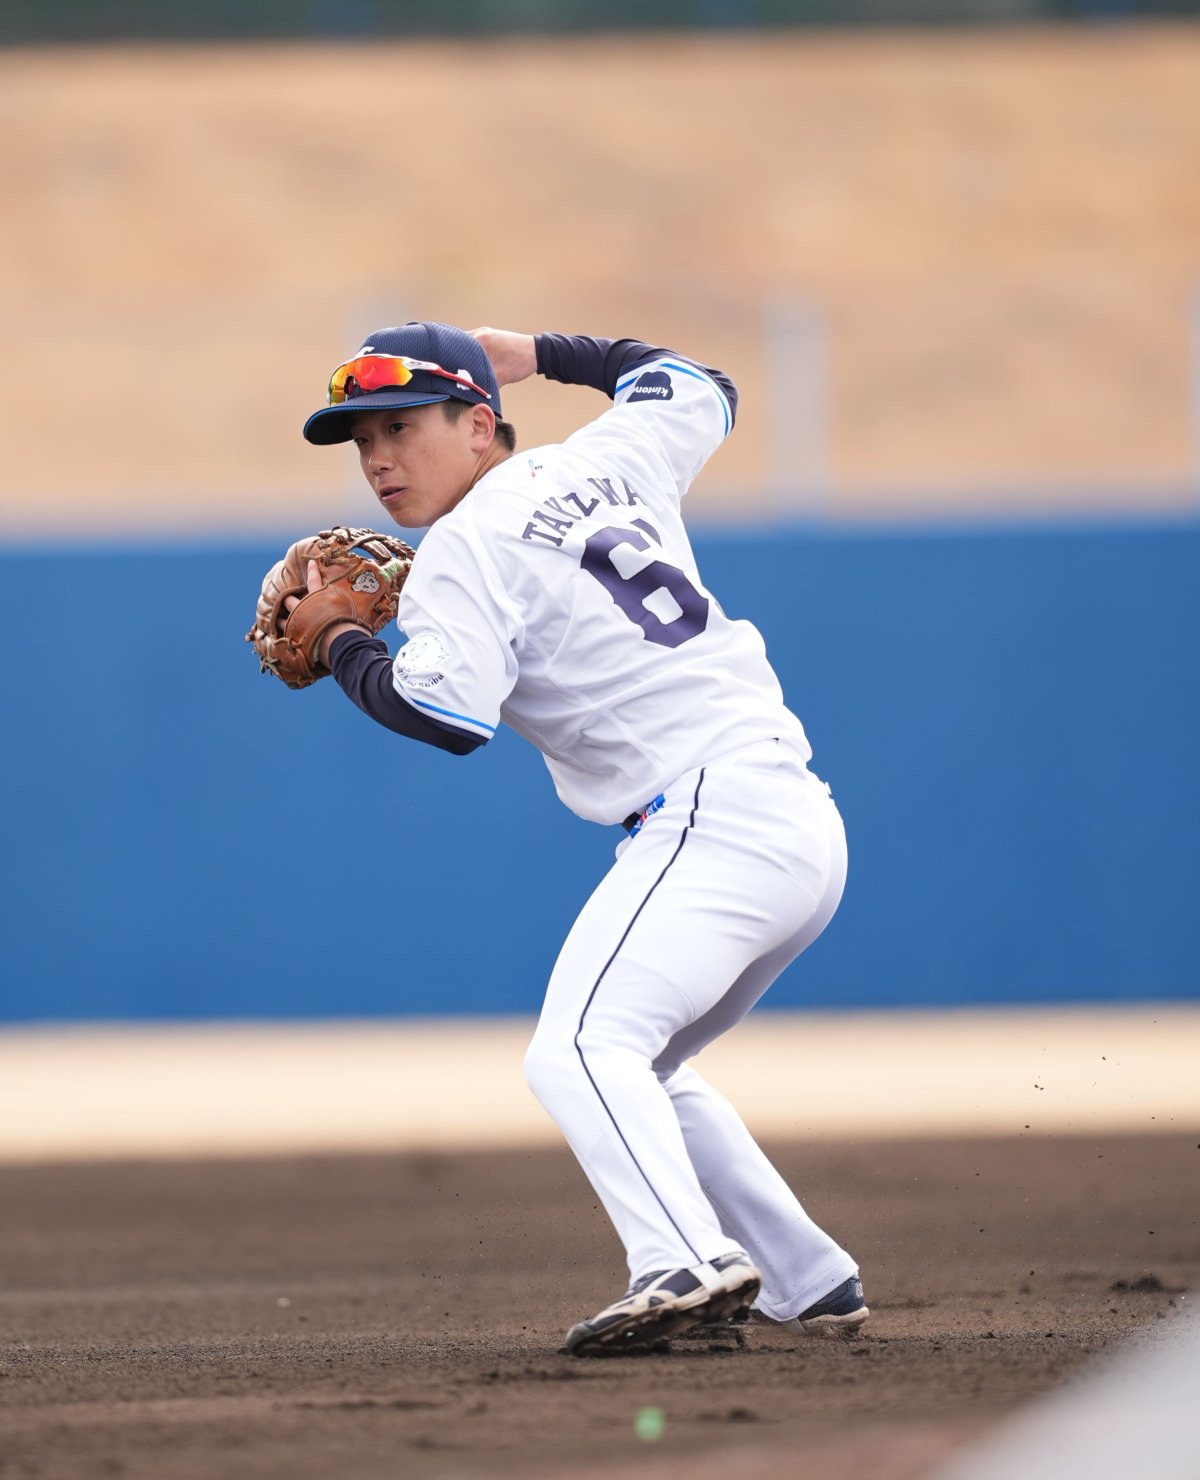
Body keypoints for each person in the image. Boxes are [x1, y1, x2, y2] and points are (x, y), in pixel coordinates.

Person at [296, 320, 867, 1356]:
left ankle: (682, 1262)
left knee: (580, 1051)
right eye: (363, 439)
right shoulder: (607, 456)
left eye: (402, 427)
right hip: (793, 816)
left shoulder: (462, 549)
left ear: (479, 426)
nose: (378, 458)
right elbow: (697, 382)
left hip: (709, 819)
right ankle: (807, 1276)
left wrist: (339, 641)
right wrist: (546, 351)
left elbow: (444, 716)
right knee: (642, 1064)